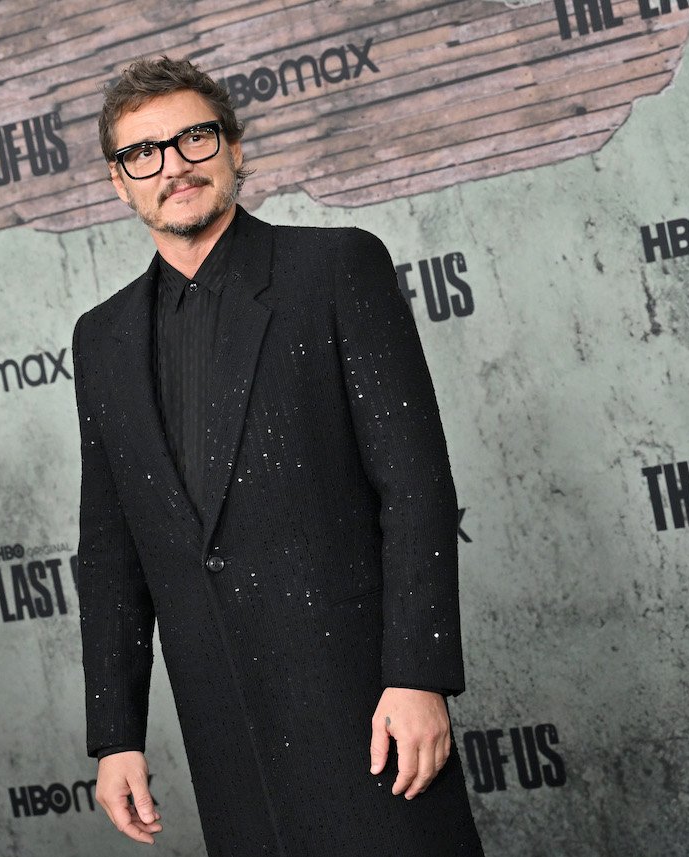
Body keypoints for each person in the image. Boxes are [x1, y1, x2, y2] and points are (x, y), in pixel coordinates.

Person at [72, 56, 483, 856]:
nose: (174, 166)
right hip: (225, 728)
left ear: (233, 149)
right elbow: (111, 549)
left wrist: (419, 674)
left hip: (366, 707)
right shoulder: (102, 339)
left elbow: (415, 486)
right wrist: (115, 734)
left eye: (195, 137)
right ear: (119, 182)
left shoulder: (333, 269)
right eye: (143, 153)